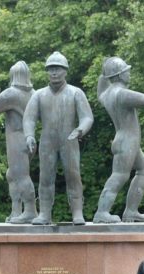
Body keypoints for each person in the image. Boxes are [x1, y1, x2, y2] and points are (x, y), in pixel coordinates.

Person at [22, 51, 94, 225]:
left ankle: (77, 212)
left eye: (58, 69)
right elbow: (29, 118)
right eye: (51, 69)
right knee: (46, 177)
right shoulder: (39, 95)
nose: (54, 72)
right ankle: (45, 214)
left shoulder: (76, 93)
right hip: (47, 141)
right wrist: (30, 135)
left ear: (65, 71)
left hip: (69, 140)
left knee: (73, 176)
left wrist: (80, 129)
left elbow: (87, 117)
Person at [93, 57, 144, 223]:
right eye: (126, 72)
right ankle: (102, 212)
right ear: (120, 75)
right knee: (119, 175)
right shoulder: (122, 94)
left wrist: (105, 74)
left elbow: (100, 89)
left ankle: (131, 211)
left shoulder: (106, 94)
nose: (129, 74)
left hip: (127, 141)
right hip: (127, 141)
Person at [0, 61, 37, 224]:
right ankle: (16, 211)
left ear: (13, 76)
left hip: (17, 139)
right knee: (12, 175)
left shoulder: (11, 93)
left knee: (21, 176)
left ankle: (31, 210)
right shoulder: (34, 93)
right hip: (30, 139)